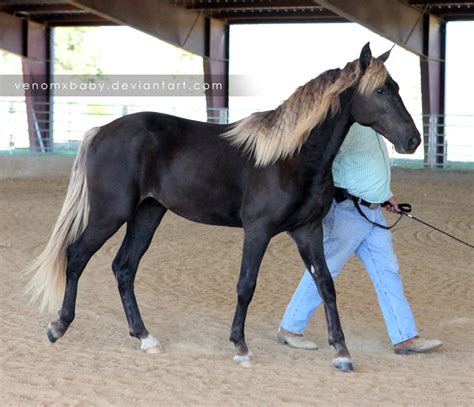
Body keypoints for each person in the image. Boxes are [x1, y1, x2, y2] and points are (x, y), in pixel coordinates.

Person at [278, 123, 442, 354]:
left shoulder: (372, 124)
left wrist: (385, 196)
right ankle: (290, 328)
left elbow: (367, 167)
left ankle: (405, 337)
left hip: (373, 212)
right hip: (348, 211)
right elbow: (321, 161)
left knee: (388, 272)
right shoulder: (345, 127)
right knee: (325, 269)